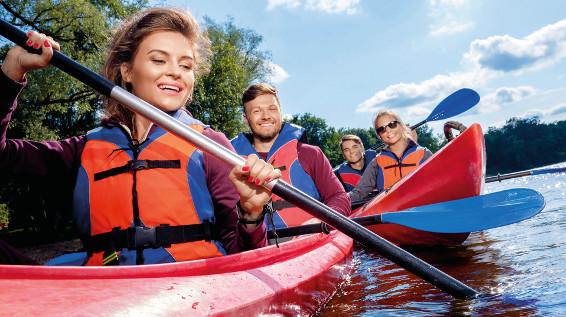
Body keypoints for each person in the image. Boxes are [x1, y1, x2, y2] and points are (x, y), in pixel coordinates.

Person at [0, 7, 280, 266]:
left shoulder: (210, 145)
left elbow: (241, 254)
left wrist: (251, 216)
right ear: (127, 71)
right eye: (159, 60)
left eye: (186, 65)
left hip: (189, 287)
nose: (175, 71)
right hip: (106, 285)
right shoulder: (85, 147)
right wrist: (12, 71)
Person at [231, 83, 350, 230]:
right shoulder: (232, 163)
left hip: (314, 239)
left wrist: (324, 224)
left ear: (280, 112)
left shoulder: (310, 154)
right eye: (256, 111)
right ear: (245, 118)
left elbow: (339, 197)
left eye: (272, 109)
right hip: (259, 245)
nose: (266, 116)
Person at [349, 109, 432, 203]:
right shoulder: (376, 162)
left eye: (392, 124)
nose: (388, 130)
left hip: (420, 209)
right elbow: (358, 193)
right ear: (379, 136)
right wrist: (338, 200)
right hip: (389, 213)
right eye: (382, 129)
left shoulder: (424, 154)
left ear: (401, 126)